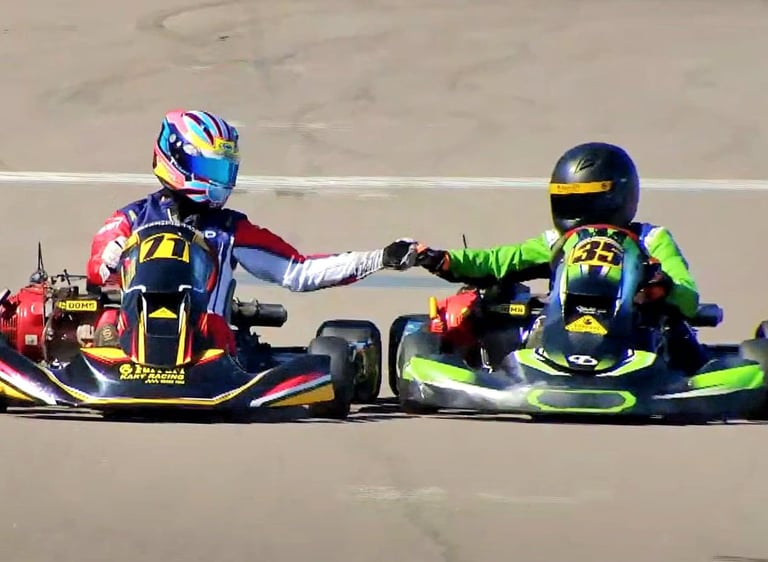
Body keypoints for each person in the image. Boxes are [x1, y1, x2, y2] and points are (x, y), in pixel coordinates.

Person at [86, 109, 418, 352]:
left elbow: (298, 272)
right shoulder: (131, 219)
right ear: (176, 161)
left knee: (219, 330)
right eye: (209, 168)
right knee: (104, 324)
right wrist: (110, 257)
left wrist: (379, 258)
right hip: (130, 344)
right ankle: (110, 356)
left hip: (206, 347)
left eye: (224, 170)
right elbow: (97, 265)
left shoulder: (230, 229)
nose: (220, 179)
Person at [413, 141, 707, 374]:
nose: (578, 211)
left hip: (637, 335)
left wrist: (663, 288)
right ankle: (507, 363)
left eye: (586, 200)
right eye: (568, 201)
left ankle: (686, 371)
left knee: (674, 324)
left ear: (616, 197)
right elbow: (499, 260)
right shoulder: (558, 242)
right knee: (488, 300)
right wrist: (446, 260)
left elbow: (689, 297)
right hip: (558, 329)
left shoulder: (650, 240)